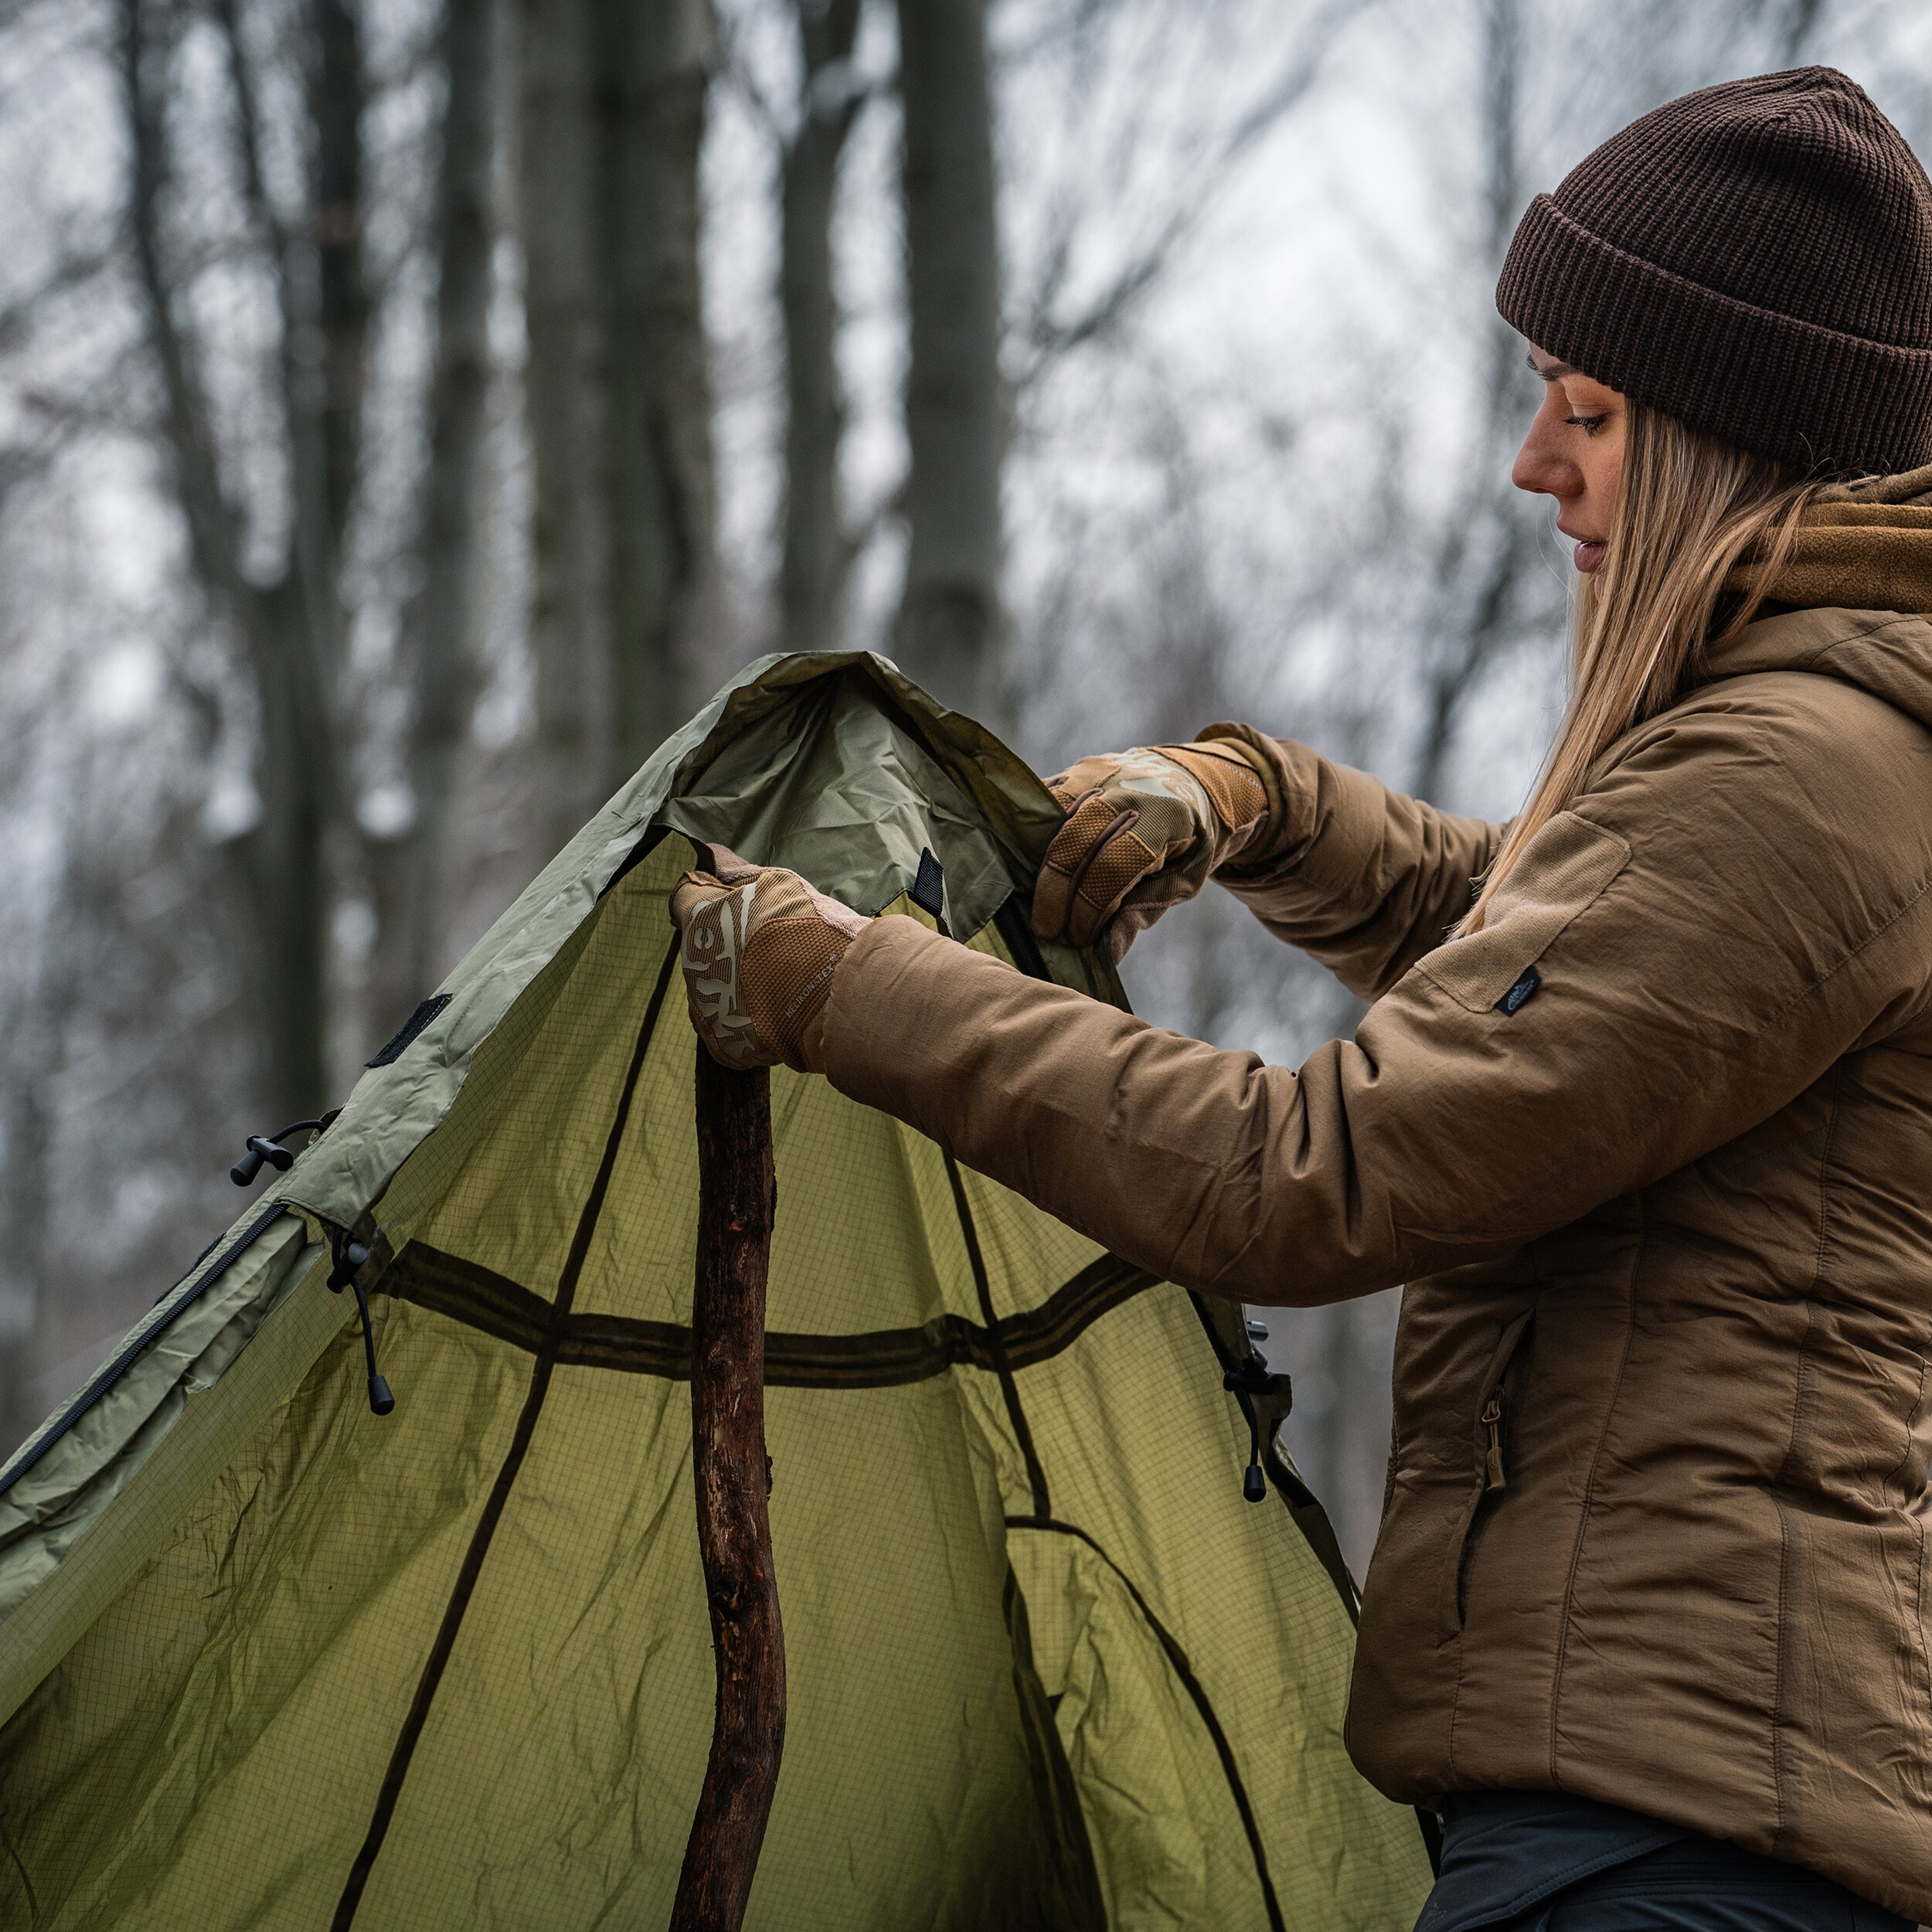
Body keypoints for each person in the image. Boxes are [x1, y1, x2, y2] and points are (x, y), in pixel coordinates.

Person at [671, 67, 1932, 1932]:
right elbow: (1534, 947)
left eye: (1588, 412)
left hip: (1670, 1851)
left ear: (1722, 442)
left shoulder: (1795, 772)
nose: (1533, 464)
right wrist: (1254, 802)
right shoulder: (1807, 747)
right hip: (1655, 1816)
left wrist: (844, 985)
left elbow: (1309, 1173)